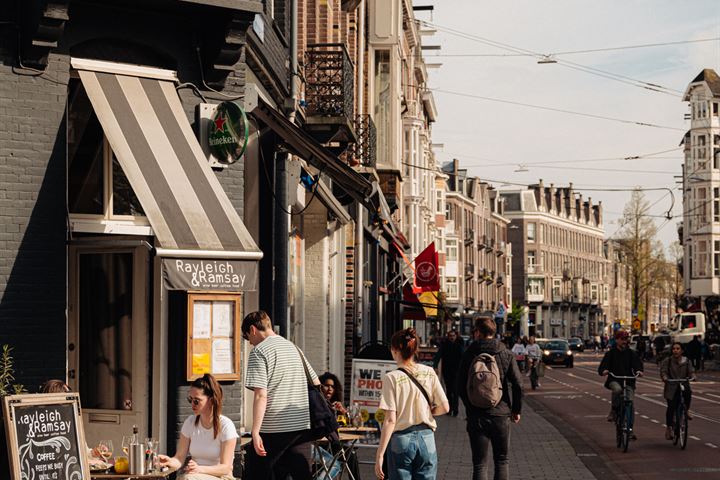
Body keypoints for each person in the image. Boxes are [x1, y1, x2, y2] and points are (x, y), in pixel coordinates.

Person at [242, 310, 319, 480]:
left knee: (256, 474)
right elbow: (315, 382)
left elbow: (261, 395)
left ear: (253, 330)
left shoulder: (259, 352)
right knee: (301, 475)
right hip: (301, 425)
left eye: (248, 337)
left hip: (274, 427)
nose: (250, 343)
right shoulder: (294, 348)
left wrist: (255, 432)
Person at [374, 328, 449, 480]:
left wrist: (380, 455)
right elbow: (445, 407)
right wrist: (428, 412)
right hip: (427, 437)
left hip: (401, 439)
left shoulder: (391, 378)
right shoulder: (429, 371)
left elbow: (390, 420)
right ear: (415, 349)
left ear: (394, 350)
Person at [458, 316, 522, 480]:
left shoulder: (469, 353)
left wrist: (470, 406)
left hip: (476, 415)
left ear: (477, 332)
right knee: (502, 461)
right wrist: (516, 410)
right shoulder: (506, 353)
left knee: (479, 464)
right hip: (501, 413)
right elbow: (517, 384)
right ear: (494, 332)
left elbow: (459, 385)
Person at [156, 374, 236, 480]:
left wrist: (200, 469)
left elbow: (226, 468)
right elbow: (179, 459)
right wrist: (170, 462)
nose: (192, 405)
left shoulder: (226, 425)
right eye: (190, 400)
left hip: (221, 477)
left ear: (211, 400)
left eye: (196, 401)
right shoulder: (190, 422)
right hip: (195, 475)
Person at [598, 330, 644, 426]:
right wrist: (604, 371)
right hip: (614, 379)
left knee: (630, 403)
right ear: (616, 340)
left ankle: (630, 429)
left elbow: (637, 364)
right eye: (622, 339)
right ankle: (614, 410)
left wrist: (639, 371)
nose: (624, 341)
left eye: (626, 339)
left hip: (629, 381)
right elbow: (603, 366)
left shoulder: (631, 353)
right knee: (617, 390)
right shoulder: (610, 354)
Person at [660, 342, 695, 440]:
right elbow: (663, 371)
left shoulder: (687, 361)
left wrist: (693, 376)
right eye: (674, 349)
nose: (675, 350)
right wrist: (665, 377)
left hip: (683, 384)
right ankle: (669, 428)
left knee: (688, 392)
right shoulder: (668, 361)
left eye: (678, 348)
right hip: (671, 386)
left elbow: (691, 371)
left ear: (682, 351)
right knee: (671, 407)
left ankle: (686, 410)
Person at [433, 329, 464, 416]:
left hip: (457, 371)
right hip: (446, 371)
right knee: (449, 390)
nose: (452, 338)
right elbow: (438, 356)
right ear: (448, 337)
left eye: (453, 336)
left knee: (455, 390)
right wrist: (435, 366)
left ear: (456, 336)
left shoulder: (459, 346)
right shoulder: (444, 345)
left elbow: (463, 358)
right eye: (450, 336)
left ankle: (456, 409)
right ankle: (450, 409)